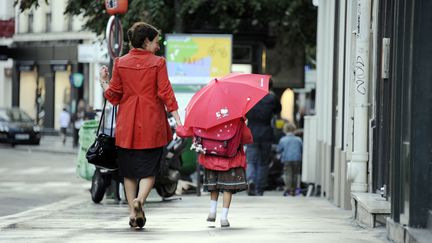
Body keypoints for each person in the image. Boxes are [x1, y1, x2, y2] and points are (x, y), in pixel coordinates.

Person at [99, 22, 182, 229]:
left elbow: (114, 96)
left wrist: (104, 82)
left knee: (128, 172)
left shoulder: (120, 63)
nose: (157, 46)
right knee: (149, 171)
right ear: (146, 41)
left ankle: (131, 212)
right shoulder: (158, 63)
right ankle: (140, 201)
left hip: (126, 125)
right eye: (156, 42)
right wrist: (178, 120)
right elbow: (166, 93)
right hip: (152, 124)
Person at [176, 118, 253, 228]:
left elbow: (188, 132)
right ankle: (224, 218)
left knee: (214, 186)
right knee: (227, 188)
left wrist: (178, 128)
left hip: (211, 158)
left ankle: (212, 211)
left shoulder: (206, 116)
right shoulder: (236, 118)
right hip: (230, 159)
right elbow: (247, 137)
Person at [245, 80, 281, 196]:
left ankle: (251, 180)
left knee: (251, 161)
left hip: (251, 134)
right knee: (263, 162)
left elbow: (245, 114)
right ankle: (260, 188)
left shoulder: (250, 99)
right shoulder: (272, 99)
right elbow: (278, 111)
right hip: (266, 134)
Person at [277, 122, 303, 196]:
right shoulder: (298, 139)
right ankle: (294, 189)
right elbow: (302, 148)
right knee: (295, 174)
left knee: (288, 174)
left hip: (286, 159)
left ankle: (288, 189)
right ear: (294, 129)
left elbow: (279, 150)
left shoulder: (283, 140)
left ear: (285, 130)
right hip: (297, 159)